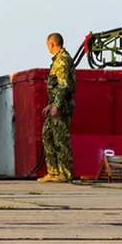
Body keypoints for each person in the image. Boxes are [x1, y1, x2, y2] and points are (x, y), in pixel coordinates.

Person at [39, 32, 77, 182]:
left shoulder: (62, 61)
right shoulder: (57, 61)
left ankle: (66, 174)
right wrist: (50, 105)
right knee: (47, 135)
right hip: (55, 104)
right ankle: (54, 172)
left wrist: (56, 106)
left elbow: (63, 85)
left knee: (61, 139)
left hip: (62, 106)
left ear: (52, 45)